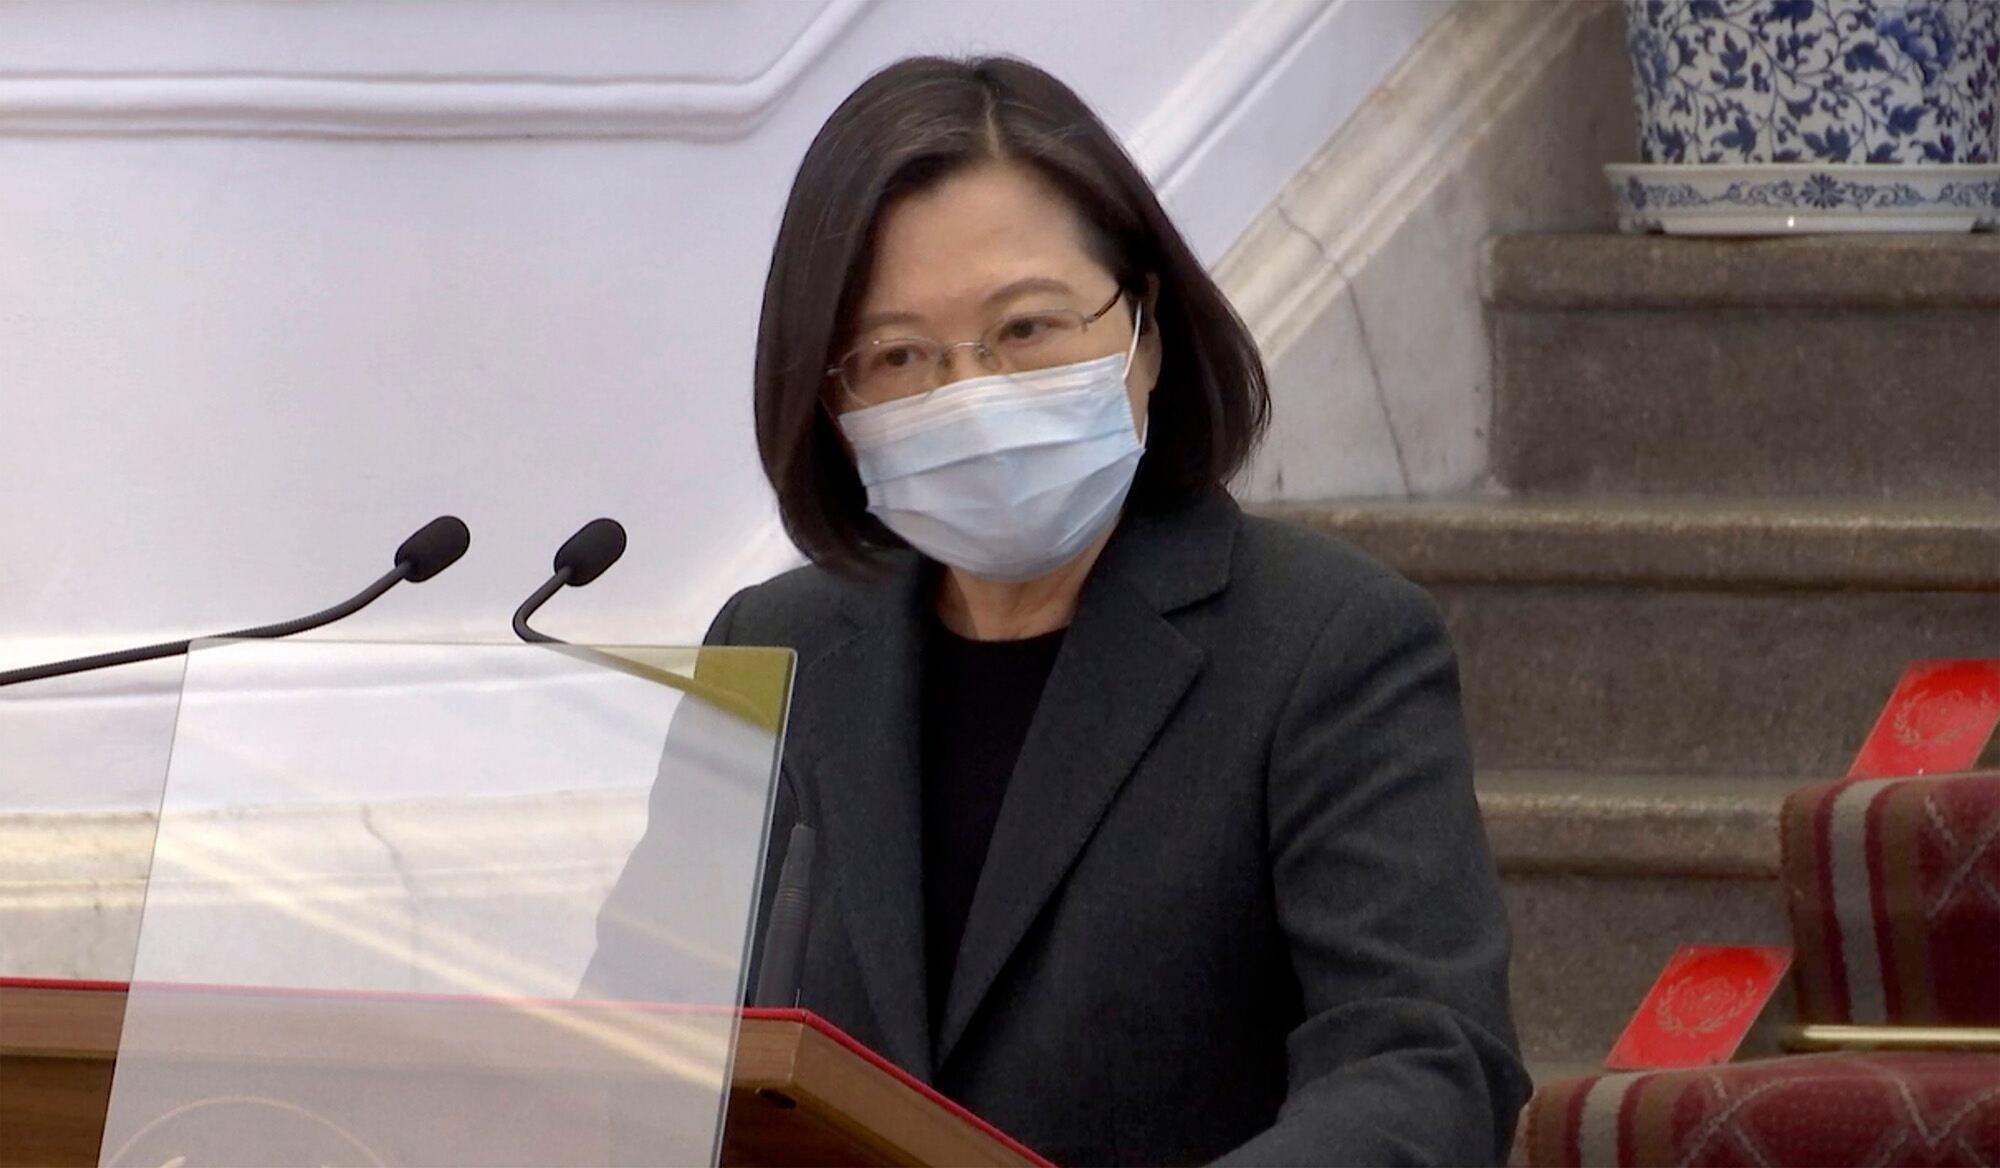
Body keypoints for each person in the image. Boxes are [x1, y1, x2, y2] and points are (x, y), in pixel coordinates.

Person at [610, 55, 1528, 1166]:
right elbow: (636, 1039)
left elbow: (1423, 1066)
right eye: (897, 355)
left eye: (1026, 329)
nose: (968, 392)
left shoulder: (1326, 645)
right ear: (831, 398)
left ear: (1143, 328)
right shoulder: (779, 646)